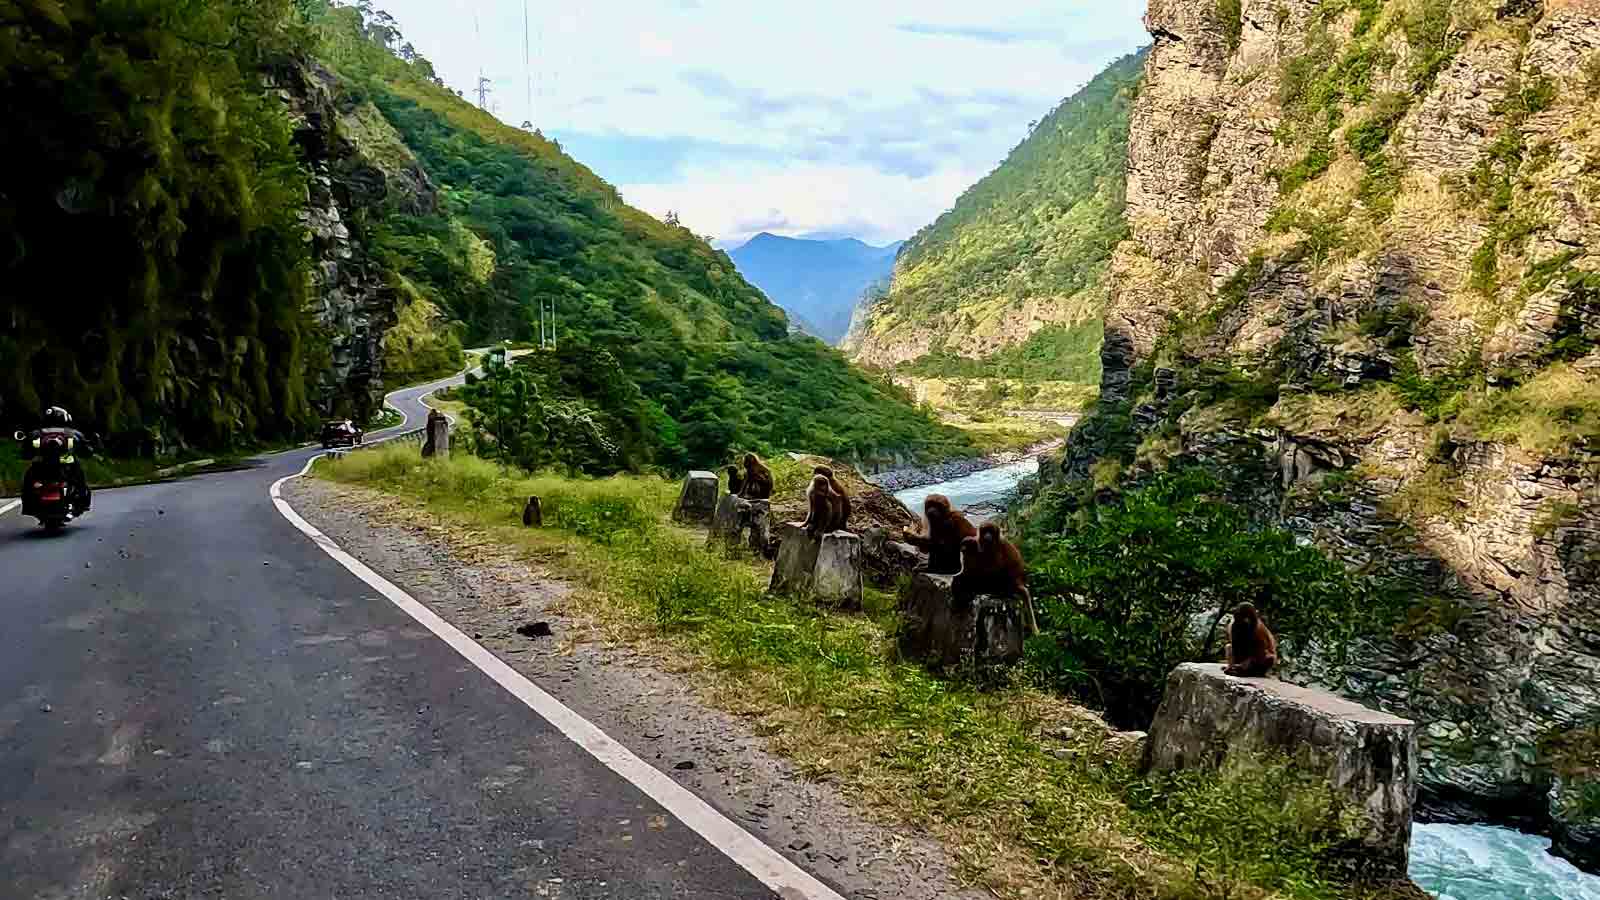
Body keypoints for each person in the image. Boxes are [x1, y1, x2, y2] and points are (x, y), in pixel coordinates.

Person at [21, 406, 94, 513]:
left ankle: (28, 505)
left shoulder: (36, 433)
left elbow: (26, 452)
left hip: (41, 467)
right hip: (67, 466)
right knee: (80, 480)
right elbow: (86, 451)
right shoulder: (72, 433)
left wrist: (28, 454)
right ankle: (81, 502)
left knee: (28, 481)